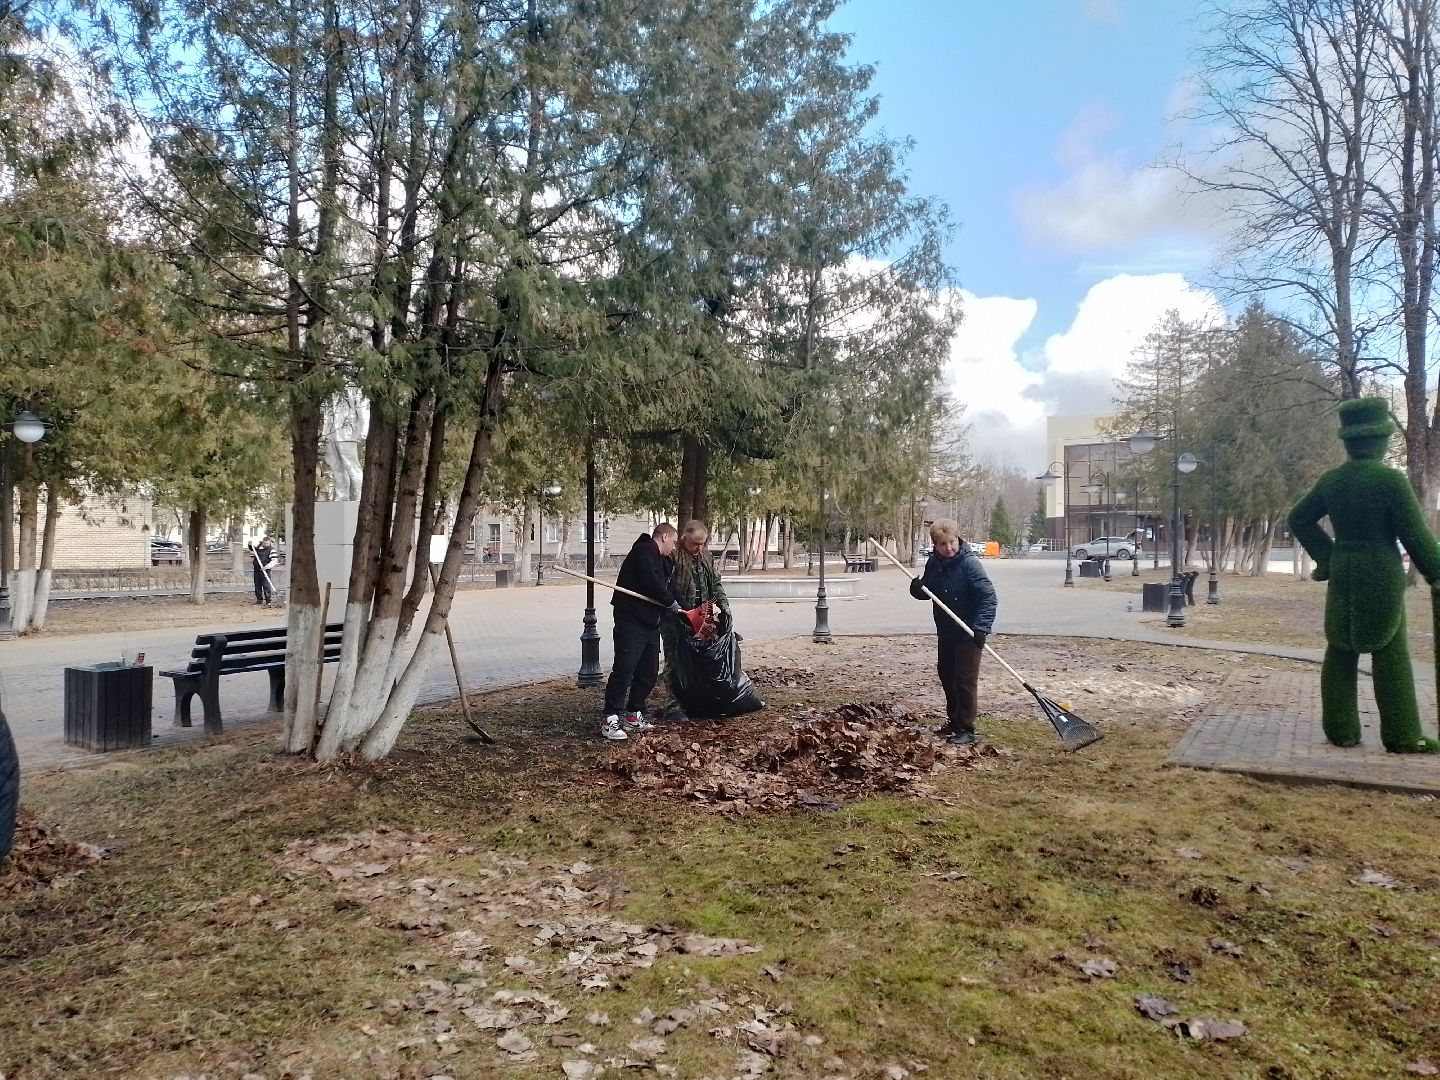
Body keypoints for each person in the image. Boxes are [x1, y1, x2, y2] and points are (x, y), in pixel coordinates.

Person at [1288, 397, 1440, 752]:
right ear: (1381, 439)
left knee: (1340, 648)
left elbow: (1298, 518)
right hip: (1381, 571)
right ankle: (1402, 736)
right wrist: (1435, 570)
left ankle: (1340, 729)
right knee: (1390, 653)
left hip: (1344, 570)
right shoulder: (1390, 481)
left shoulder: (1332, 481)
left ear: (1348, 440)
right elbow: (1415, 535)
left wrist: (1327, 556)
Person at [909, 519, 997, 747]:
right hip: (946, 631)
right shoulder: (934, 564)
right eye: (942, 544)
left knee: (964, 680)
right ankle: (955, 722)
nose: (948, 548)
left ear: (958, 539)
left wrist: (982, 627)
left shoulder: (969, 565)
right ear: (935, 545)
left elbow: (988, 597)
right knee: (947, 675)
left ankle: (966, 727)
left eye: (952, 542)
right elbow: (929, 590)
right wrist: (917, 589)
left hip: (969, 632)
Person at [601, 522, 683, 741]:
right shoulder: (644, 551)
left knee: (649, 671)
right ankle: (610, 718)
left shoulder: (663, 561)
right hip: (631, 621)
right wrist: (670, 602)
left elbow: (669, 588)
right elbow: (650, 583)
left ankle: (633, 714)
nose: (674, 547)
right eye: (673, 542)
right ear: (664, 537)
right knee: (625, 669)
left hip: (651, 623)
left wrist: (685, 609)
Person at [661, 519, 730, 721]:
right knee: (674, 661)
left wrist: (724, 606)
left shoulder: (706, 556)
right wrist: (680, 610)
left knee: (703, 659)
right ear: (684, 538)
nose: (698, 547)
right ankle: (673, 705)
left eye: (702, 543)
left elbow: (715, 583)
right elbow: (665, 585)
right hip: (675, 618)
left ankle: (698, 700)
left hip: (703, 617)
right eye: (694, 543)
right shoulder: (673, 554)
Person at [251, 536, 278, 606]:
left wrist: (266, 567)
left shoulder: (271, 550)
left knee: (266, 586)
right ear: (262, 542)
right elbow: (252, 550)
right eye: (264, 543)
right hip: (257, 570)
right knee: (257, 585)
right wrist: (249, 545)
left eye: (267, 543)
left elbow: (274, 561)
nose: (266, 545)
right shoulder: (257, 549)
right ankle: (259, 599)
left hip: (265, 571)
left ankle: (268, 601)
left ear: (270, 542)